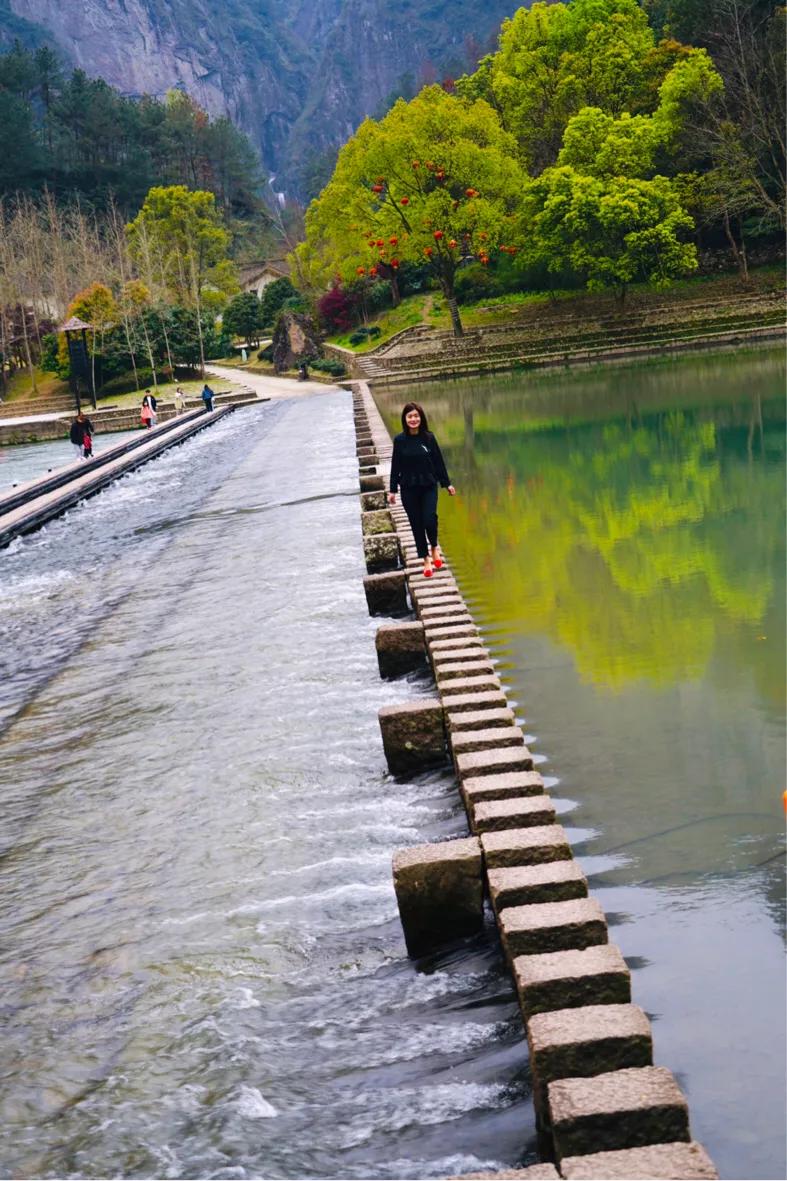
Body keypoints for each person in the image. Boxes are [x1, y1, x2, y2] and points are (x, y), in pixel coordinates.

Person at [388, 401, 456, 578]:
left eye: (416, 416)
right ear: (405, 419)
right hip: (408, 488)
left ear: (421, 418)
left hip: (428, 485)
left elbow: (439, 462)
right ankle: (425, 559)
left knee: (429, 519)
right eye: (410, 416)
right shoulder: (400, 441)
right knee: (416, 524)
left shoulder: (429, 438)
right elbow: (395, 466)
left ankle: (434, 546)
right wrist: (392, 490)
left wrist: (447, 484)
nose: (413, 419)